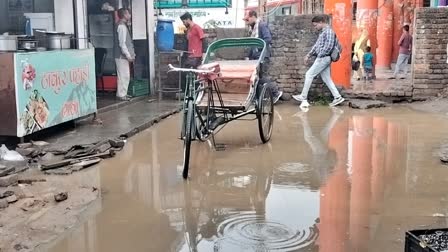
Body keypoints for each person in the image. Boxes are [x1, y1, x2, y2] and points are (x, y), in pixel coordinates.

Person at [292, 14, 345, 108]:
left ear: (321, 22)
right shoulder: (323, 32)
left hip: (323, 58)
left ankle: (303, 96)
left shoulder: (328, 32)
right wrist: (309, 55)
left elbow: (328, 46)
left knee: (309, 74)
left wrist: (320, 56)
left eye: (316, 25)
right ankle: (337, 97)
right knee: (326, 79)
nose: (315, 27)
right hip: (324, 58)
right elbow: (316, 46)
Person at [243, 10, 283, 104]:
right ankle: (256, 98)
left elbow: (268, 39)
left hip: (262, 56)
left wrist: (258, 49)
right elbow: (251, 44)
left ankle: (275, 93)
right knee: (255, 77)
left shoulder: (261, 25)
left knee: (261, 77)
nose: (246, 21)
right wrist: (249, 56)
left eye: (247, 19)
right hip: (255, 57)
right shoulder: (252, 29)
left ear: (253, 16)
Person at [114, 8, 135, 101]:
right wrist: (128, 55)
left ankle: (123, 94)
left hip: (121, 55)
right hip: (121, 56)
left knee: (124, 75)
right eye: (129, 14)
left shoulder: (122, 25)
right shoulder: (121, 26)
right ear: (125, 15)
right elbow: (122, 43)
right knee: (124, 75)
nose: (130, 15)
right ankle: (121, 94)